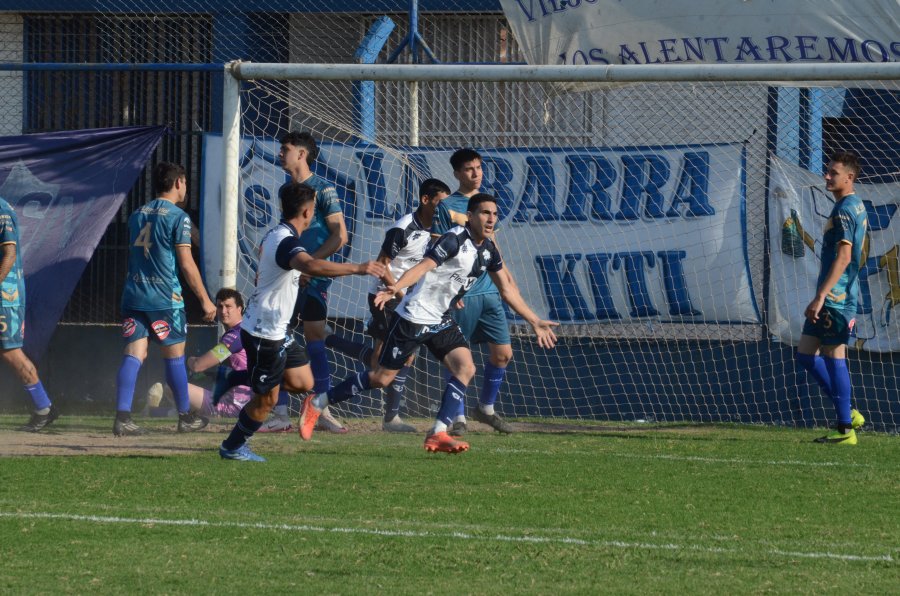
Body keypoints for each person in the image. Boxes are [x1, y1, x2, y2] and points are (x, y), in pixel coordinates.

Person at [298, 193, 557, 454]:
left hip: (439, 319)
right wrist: (395, 287)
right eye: (484, 213)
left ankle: (438, 433)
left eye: (494, 214)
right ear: (470, 216)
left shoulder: (489, 250)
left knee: (465, 367)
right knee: (381, 377)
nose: (490, 219)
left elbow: (507, 290)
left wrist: (534, 320)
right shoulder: (454, 239)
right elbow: (423, 267)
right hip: (413, 315)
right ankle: (318, 402)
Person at [218, 181, 384, 461]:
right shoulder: (286, 241)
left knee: (304, 382)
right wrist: (358, 268)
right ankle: (232, 446)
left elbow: (296, 269)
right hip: (264, 333)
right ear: (308, 212)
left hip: (277, 331)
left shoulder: (278, 235)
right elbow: (309, 264)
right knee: (266, 400)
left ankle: (260, 381)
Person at [325, 178, 451, 432]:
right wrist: (399, 293)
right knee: (387, 361)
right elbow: (381, 266)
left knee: (396, 359)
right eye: (441, 203)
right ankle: (388, 417)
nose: (446, 210)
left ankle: (390, 418)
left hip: (409, 298)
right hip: (386, 296)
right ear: (426, 200)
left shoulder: (440, 230)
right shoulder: (403, 228)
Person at [113, 161, 217, 437]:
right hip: (164, 299)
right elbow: (186, 263)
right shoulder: (177, 217)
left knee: (134, 353)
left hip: (134, 296)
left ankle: (122, 417)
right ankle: (185, 417)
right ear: (179, 182)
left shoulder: (137, 214)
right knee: (174, 357)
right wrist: (205, 300)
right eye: (185, 183)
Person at [433, 148, 517, 436]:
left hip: (489, 292)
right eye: (469, 169)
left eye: (479, 168)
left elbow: (493, 248)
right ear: (457, 173)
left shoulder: (487, 204)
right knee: (459, 357)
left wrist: (507, 279)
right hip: (462, 295)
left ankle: (486, 409)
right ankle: (457, 417)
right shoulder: (446, 206)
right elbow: (438, 249)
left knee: (504, 353)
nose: (476, 173)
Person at [142, 288, 296, 428]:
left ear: (240, 309)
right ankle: (168, 412)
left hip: (234, 407)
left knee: (173, 386)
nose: (223, 311)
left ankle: (154, 411)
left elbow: (198, 366)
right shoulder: (244, 332)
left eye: (228, 306)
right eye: (220, 306)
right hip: (248, 402)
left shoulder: (236, 336)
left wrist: (190, 359)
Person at [796, 151, 867, 445]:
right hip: (831, 295)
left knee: (834, 354)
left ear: (849, 177)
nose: (826, 176)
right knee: (805, 354)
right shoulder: (852, 205)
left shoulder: (844, 210)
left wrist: (822, 296)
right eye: (827, 171)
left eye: (833, 172)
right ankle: (848, 412)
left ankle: (844, 430)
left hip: (836, 298)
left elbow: (846, 255)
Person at [279, 131, 348, 433]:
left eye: (286, 149)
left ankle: (321, 409)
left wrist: (311, 265)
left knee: (314, 333)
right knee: (275, 334)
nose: (281, 153)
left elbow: (339, 236)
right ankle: (278, 411)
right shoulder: (285, 188)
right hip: (288, 270)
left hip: (312, 274)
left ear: (302, 154)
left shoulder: (323, 189)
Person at [0, 196, 59, 432]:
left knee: (11, 351)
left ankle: (44, 408)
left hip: (6, 294)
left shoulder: (2, 209)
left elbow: (10, 254)